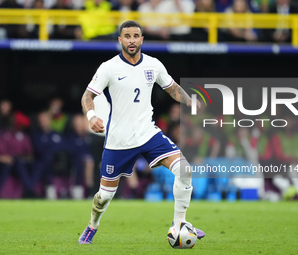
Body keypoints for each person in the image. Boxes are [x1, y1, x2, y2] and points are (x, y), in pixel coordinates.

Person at [78, 20, 205, 244]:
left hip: (148, 133)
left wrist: (190, 101)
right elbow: (87, 97)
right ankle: (92, 225)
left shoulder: (154, 65)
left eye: (136, 36)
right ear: (120, 40)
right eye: (127, 36)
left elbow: (172, 88)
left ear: (142, 39)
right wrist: (91, 116)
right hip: (119, 140)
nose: (132, 40)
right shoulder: (109, 67)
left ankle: (179, 224)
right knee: (104, 197)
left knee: (184, 169)